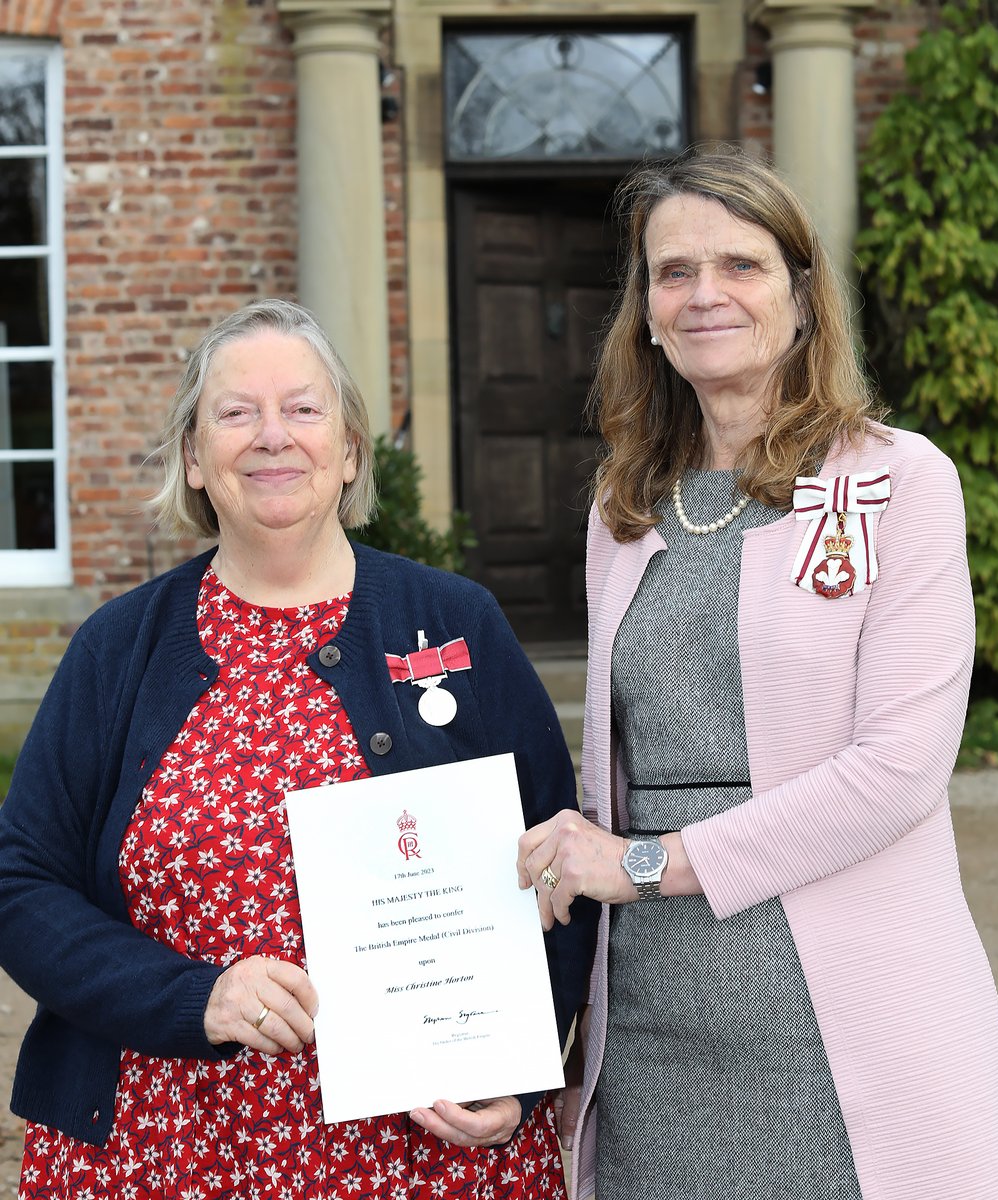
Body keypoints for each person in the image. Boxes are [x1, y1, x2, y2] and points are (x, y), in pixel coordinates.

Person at [516, 150, 998, 1200]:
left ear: (800, 295)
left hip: (842, 1023)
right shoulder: (623, 505)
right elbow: (614, 773)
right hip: (654, 1029)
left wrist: (642, 864)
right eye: (673, 272)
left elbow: (897, 770)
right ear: (645, 315)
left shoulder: (895, 480)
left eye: (740, 265)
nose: (704, 294)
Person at [0, 298, 595, 1199]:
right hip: (163, 1146)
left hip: (423, 1153)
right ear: (193, 458)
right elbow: (20, 883)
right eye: (237, 412)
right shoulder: (117, 648)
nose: (272, 435)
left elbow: (562, 860)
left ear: (349, 450)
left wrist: (520, 1067)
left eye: (304, 409)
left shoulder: (455, 622)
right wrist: (195, 998)